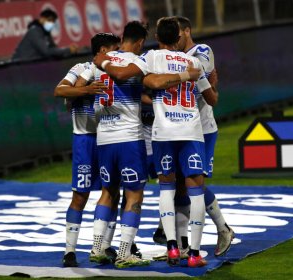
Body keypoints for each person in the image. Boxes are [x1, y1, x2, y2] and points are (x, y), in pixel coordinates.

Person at [93, 17, 218, 268]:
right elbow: (212, 99)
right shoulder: (193, 62)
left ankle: (172, 247)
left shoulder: (151, 58)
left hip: (163, 133)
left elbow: (129, 76)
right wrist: (201, 80)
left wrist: (103, 61)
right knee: (195, 191)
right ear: (178, 37)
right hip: (191, 132)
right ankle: (193, 252)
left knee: (167, 189)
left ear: (158, 38)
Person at [152, 16, 235, 260]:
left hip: (202, 127)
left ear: (186, 31)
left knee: (194, 183)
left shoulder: (201, 51)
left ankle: (223, 228)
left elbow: (203, 81)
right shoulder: (179, 60)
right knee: (180, 184)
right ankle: (182, 242)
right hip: (180, 125)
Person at [54, 33, 120, 267]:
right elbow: (60, 90)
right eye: (115, 48)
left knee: (113, 192)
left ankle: (105, 245)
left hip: (110, 138)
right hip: (85, 140)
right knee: (80, 196)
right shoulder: (81, 68)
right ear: (103, 50)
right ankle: (69, 251)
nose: (118, 52)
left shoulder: (117, 69)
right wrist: (88, 90)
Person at [13, 9, 78, 61]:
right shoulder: (34, 31)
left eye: (53, 21)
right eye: (49, 20)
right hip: (19, 66)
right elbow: (46, 51)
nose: (51, 23)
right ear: (42, 19)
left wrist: (69, 50)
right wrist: (68, 50)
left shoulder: (46, 33)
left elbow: (53, 48)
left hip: (30, 66)